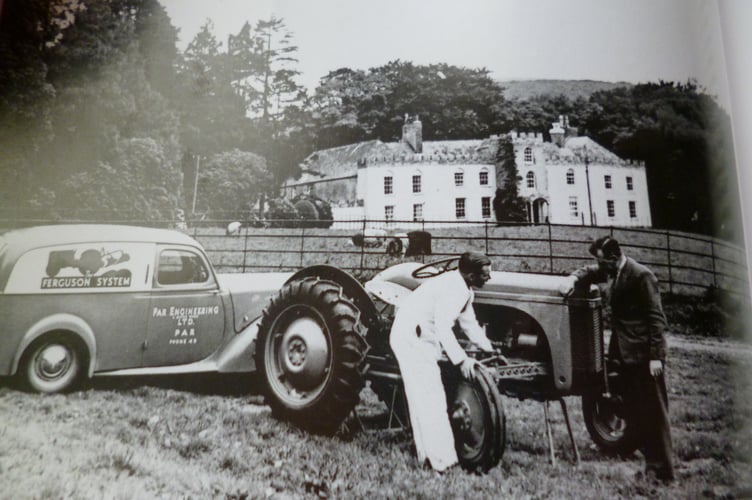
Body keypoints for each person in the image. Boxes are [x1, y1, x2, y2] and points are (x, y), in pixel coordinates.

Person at [560, 236, 674, 483]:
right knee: (635, 410)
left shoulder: (641, 276)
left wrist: (656, 357)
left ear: (613, 257)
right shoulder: (613, 270)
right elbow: (589, 271)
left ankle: (663, 470)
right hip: (623, 354)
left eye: (601, 261)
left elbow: (657, 320)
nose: (599, 266)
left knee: (654, 413)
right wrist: (573, 278)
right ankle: (650, 467)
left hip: (643, 356)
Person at [389, 251, 494, 473]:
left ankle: (426, 456)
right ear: (470, 273)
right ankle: (442, 462)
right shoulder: (453, 289)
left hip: (419, 335)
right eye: (484, 275)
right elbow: (443, 327)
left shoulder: (464, 289)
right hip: (411, 337)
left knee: (424, 395)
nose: (489, 278)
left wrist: (490, 349)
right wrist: (462, 360)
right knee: (431, 397)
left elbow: (469, 325)